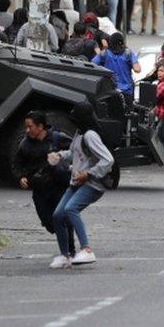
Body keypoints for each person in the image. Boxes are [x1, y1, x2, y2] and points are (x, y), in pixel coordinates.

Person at [50, 102, 114, 269]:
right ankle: (66, 255)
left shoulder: (90, 135)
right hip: (77, 181)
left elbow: (108, 159)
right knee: (57, 215)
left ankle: (86, 249)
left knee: (71, 209)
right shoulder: (80, 134)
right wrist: (60, 156)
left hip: (92, 183)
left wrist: (89, 173)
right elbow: (74, 153)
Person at [13, 111, 75, 264]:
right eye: (26, 127)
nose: (27, 130)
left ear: (40, 126)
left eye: (30, 127)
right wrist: (21, 177)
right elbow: (17, 164)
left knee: (62, 218)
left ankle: (70, 252)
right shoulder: (25, 144)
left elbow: (76, 151)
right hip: (40, 189)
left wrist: (69, 164)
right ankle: (63, 241)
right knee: (49, 222)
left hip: (59, 186)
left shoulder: (57, 138)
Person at [91, 33, 140, 99]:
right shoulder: (128, 53)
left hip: (109, 90)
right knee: (127, 108)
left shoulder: (104, 53)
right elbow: (137, 69)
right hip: (126, 90)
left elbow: (93, 64)